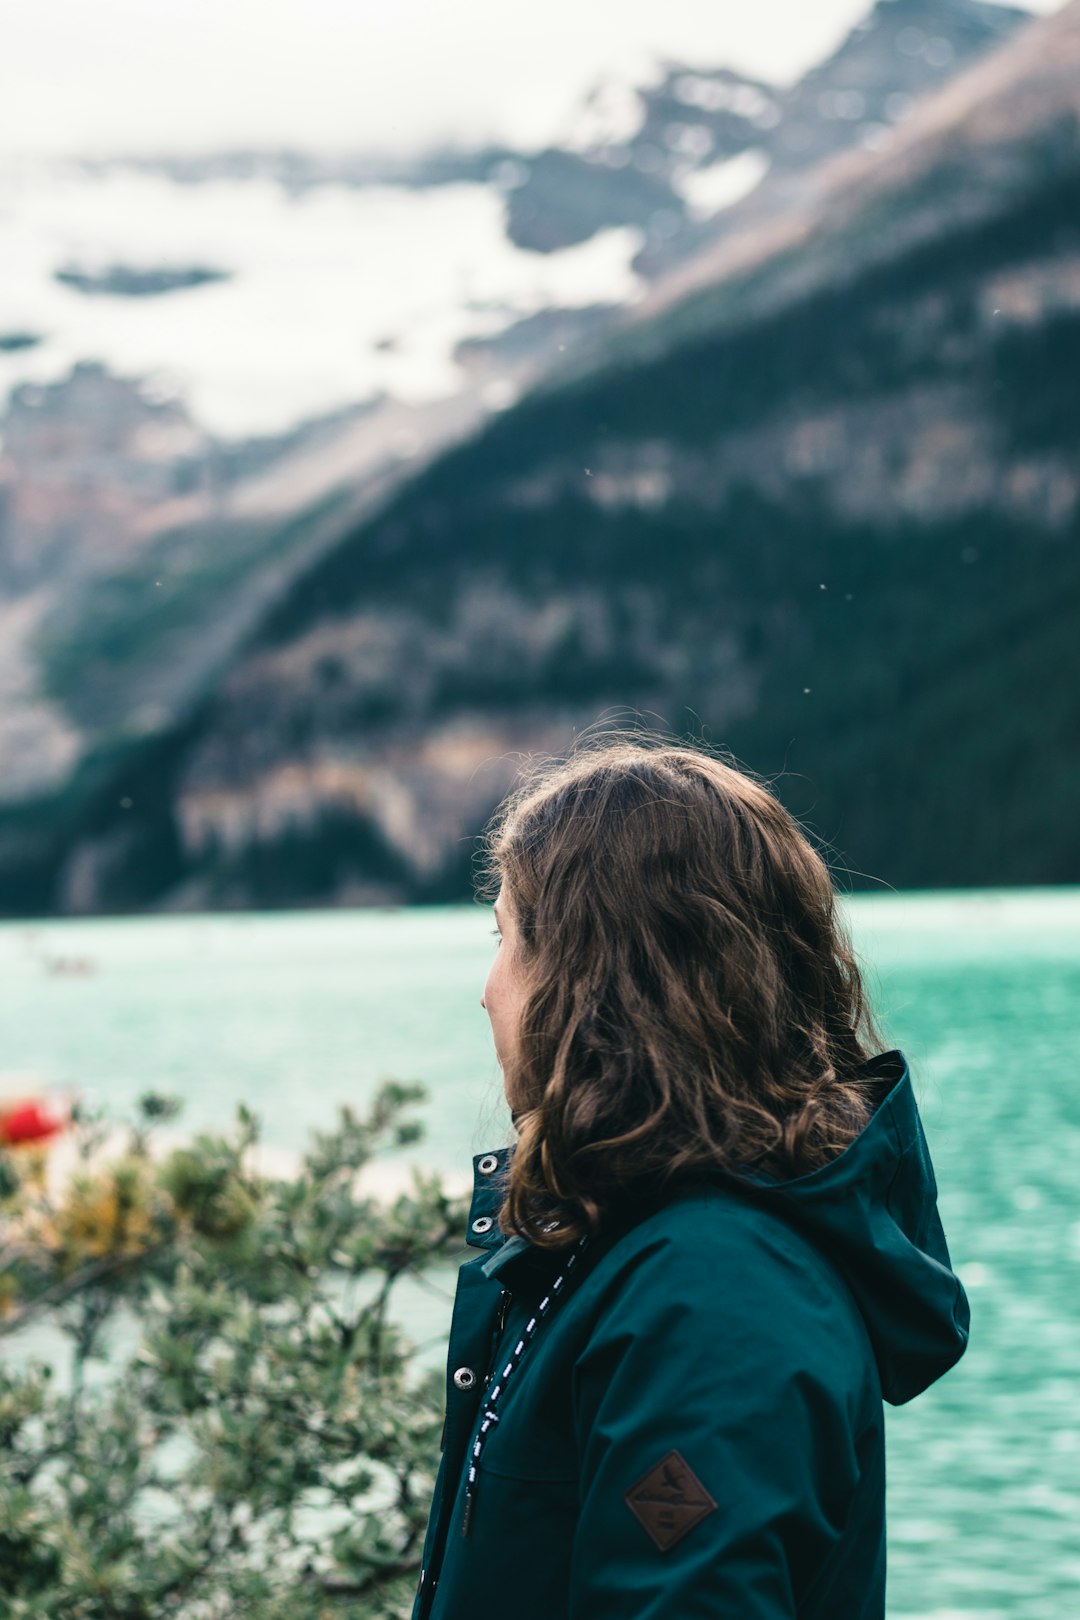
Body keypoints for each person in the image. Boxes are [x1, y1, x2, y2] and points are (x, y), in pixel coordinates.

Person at [412, 740, 970, 1620]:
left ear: (595, 978)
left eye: (508, 938)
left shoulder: (715, 1297)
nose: (488, 991)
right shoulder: (618, 1241)